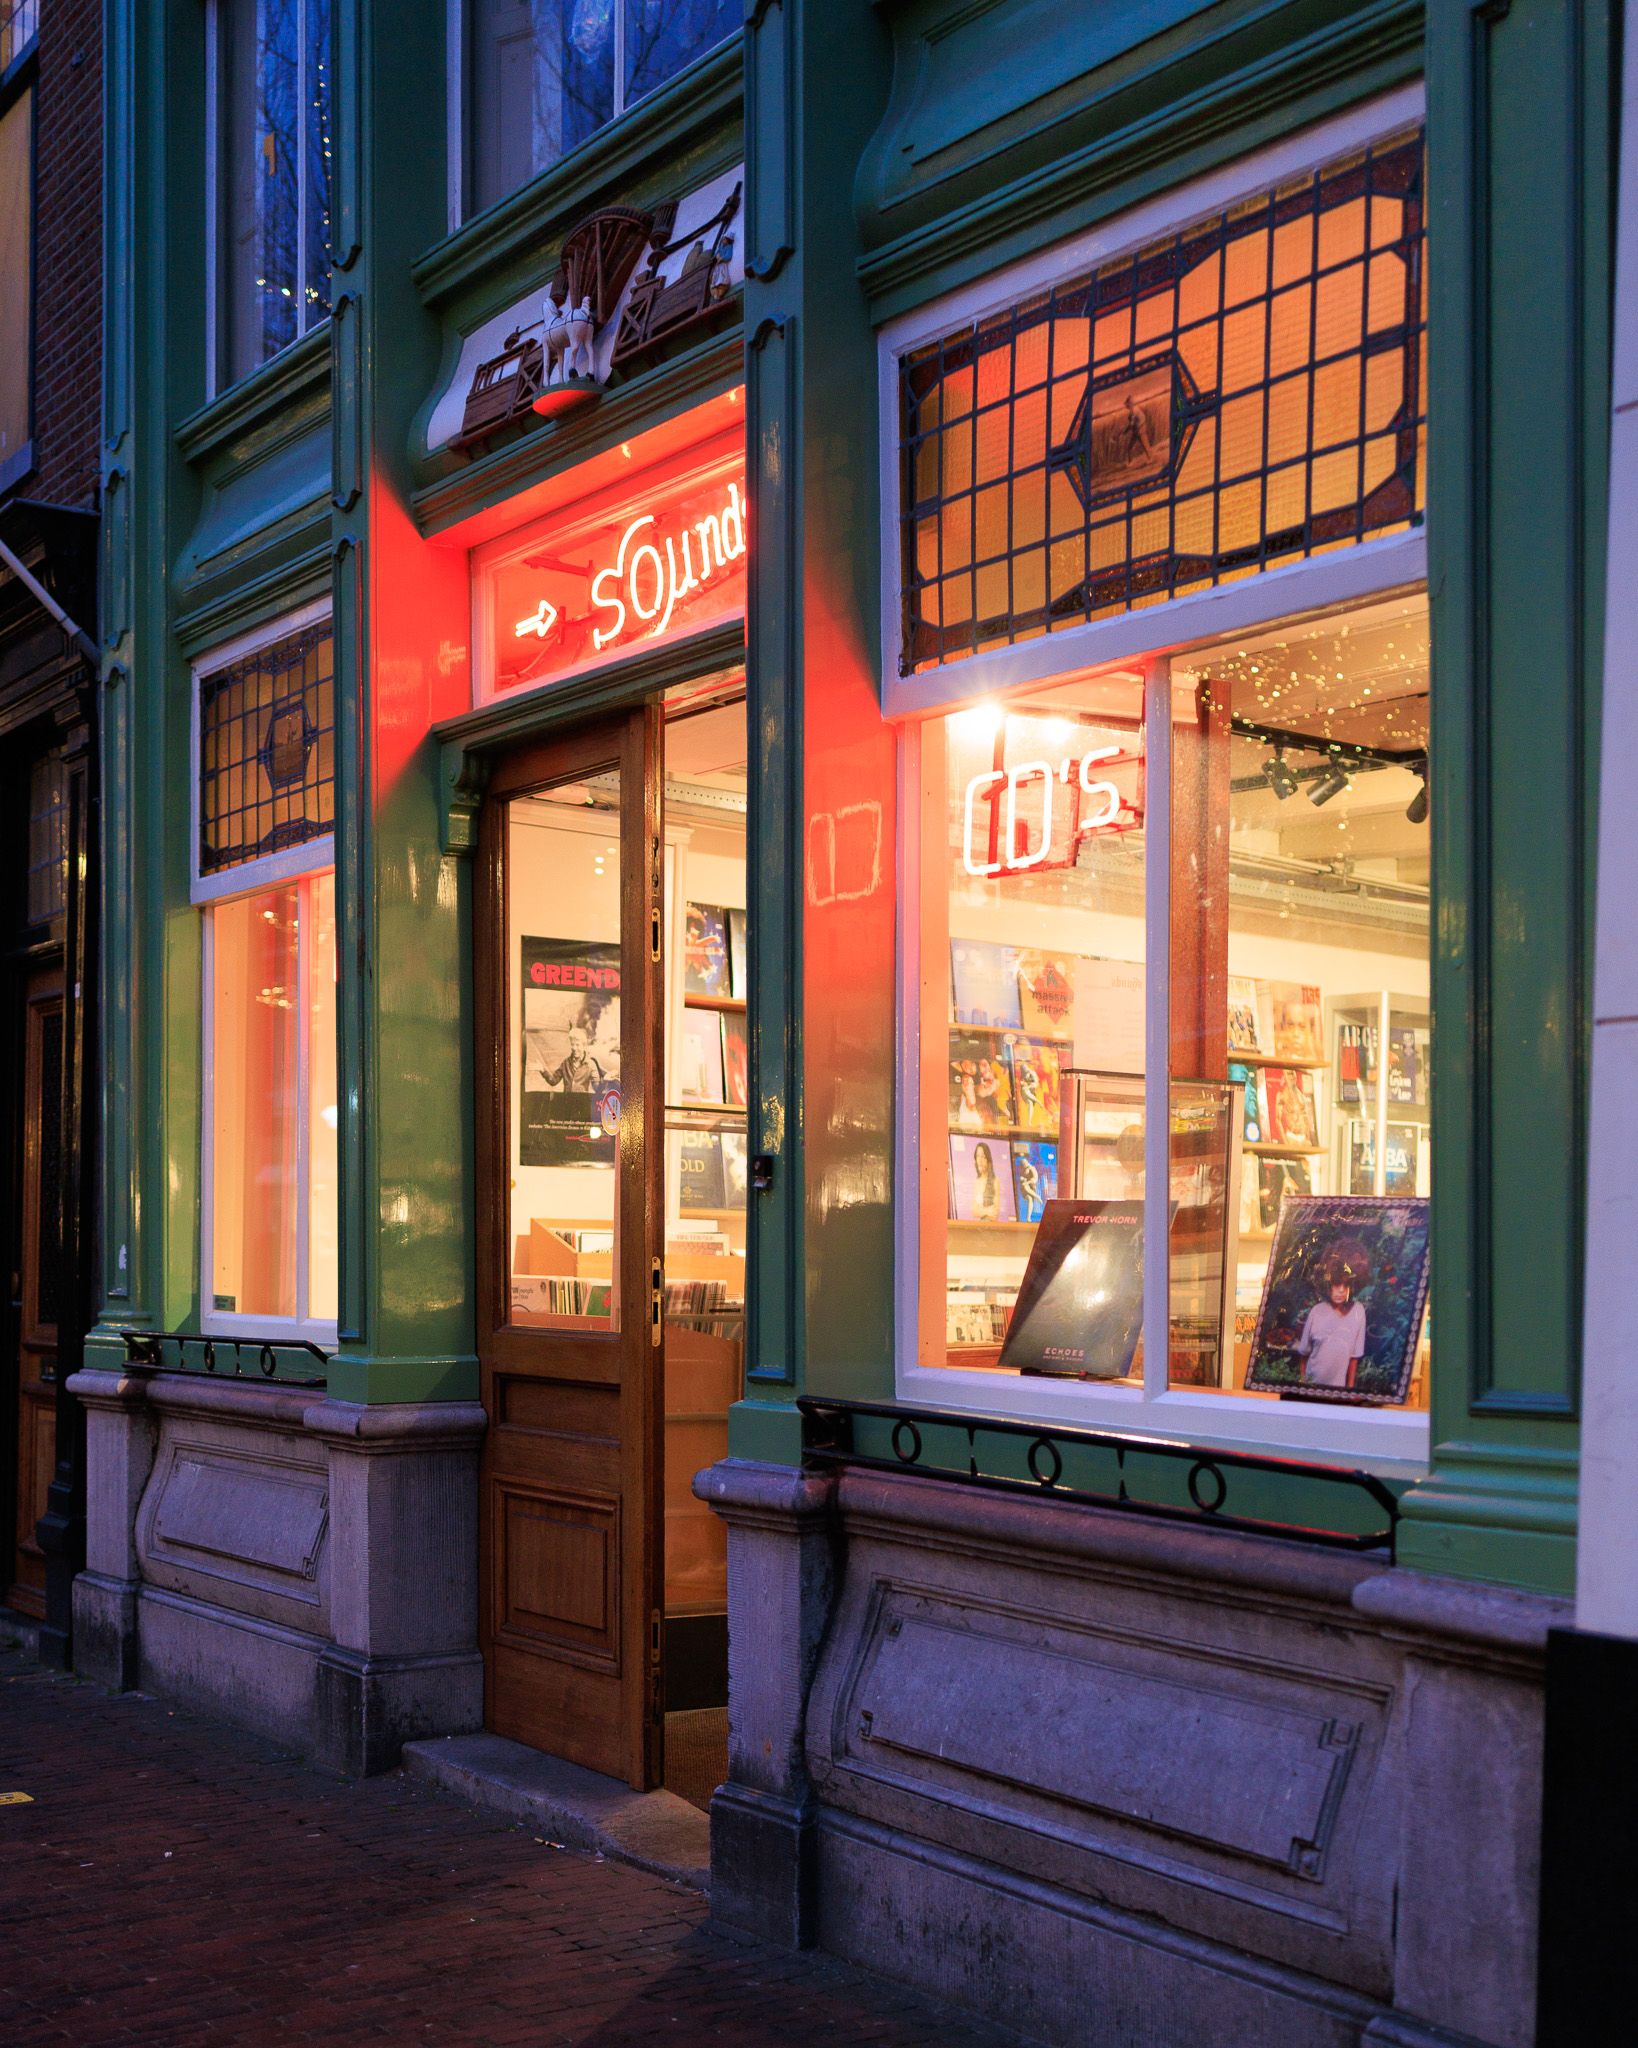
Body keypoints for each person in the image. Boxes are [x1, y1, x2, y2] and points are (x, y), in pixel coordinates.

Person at [1293, 1259, 1368, 1388]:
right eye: (1337, 1285)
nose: (1341, 1291)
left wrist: (1349, 1390)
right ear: (1328, 1287)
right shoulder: (1316, 1311)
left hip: (1337, 1390)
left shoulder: (1358, 1311)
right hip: (1312, 1385)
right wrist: (1304, 1384)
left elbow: (1354, 1357)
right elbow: (1304, 1354)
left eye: (1345, 1286)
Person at [546, 1023, 603, 1093]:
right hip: (567, 1102)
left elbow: (597, 1088)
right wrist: (543, 1070)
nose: (574, 1048)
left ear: (584, 1046)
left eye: (577, 1045)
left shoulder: (590, 1065)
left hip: (581, 1102)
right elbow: (553, 1081)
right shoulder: (565, 1063)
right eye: (572, 1044)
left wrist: (606, 1081)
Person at [971, 1141, 1002, 1222]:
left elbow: (995, 1214)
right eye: (978, 1156)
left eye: (983, 1156)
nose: (980, 1160)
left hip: (991, 1229)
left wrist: (981, 1211)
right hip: (980, 1227)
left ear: (988, 1159)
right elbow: (974, 1211)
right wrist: (987, 1211)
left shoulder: (995, 1181)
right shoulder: (977, 1182)